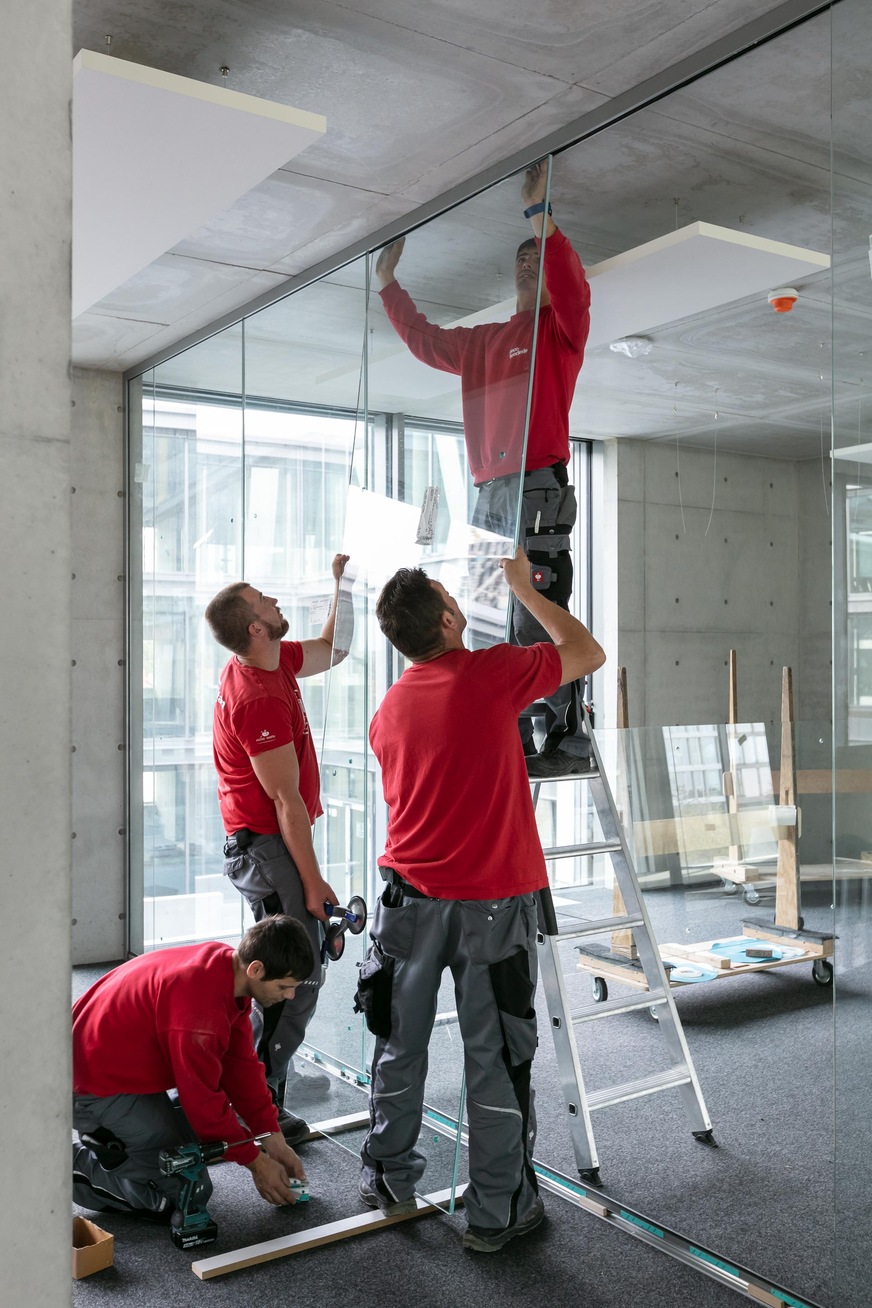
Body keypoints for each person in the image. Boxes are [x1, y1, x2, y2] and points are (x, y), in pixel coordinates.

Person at [358, 548, 605, 1253]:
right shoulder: (491, 674)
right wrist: (526, 589)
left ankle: (389, 1176)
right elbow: (585, 650)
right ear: (445, 617)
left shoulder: (391, 706)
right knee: (495, 1055)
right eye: (450, 593)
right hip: (489, 908)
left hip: (406, 902)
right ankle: (496, 1213)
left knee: (398, 1045)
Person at [375, 162, 592, 779]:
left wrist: (539, 215)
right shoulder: (481, 343)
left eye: (539, 259)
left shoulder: (559, 332)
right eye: (522, 260)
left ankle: (567, 732)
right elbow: (422, 339)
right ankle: (519, 730)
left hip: (534, 489)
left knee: (538, 608)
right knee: (496, 618)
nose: (530, 265)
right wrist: (388, 283)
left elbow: (575, 289)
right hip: (488, 497)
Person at [205, 556, 352, 1143]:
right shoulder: (257, 699)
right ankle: (258, 1106)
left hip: (268, 844)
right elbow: (286, 803)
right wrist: (313, 884)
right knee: (293, 976)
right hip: (268, 847)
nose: (275, 600)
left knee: (287, 973)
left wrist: (345, 588)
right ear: (256, 628)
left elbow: (330, 651)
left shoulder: (271, 661)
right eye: (266, 601)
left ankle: (259, 1089)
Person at [72, 915, 313, 1220]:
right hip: (90, 1086)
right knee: (185, 1193)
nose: (289, 996)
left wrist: (272, 1138)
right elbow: (201, 1100)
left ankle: (131, 1138)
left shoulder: (224, 968)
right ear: (256, 969)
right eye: (284, 986)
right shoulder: (200, 1013)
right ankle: (63, 1165)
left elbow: (240, 1068)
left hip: (113, 1068)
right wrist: (256, 1163)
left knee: (197, 1145)